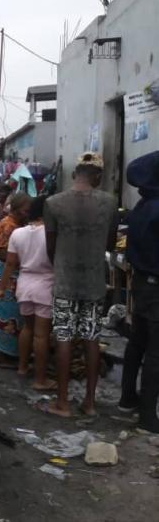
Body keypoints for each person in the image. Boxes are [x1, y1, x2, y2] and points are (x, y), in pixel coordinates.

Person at [44, 152, 118, 418]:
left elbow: (50, 248)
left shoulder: (53, 203)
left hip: (65, 281)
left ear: (75, 174)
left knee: (63, 337)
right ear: (96, 176)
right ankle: (89, 403)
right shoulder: (110, 202)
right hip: (94, 283)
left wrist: (62, 265)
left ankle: (62, 402)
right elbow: (109, 244)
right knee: (91, 338)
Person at [0, 195, 55, 390]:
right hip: (45, 285)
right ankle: (40, 379)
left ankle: (22, 367)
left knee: (27, 328)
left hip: (24, 284)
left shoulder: (18, 233)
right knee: (41, 335)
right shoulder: (51, 233)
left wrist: (2, 288)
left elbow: (11, 263)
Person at [119, 150, 159, 433]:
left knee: (137, 342)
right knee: (155, 353)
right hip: (156, 286)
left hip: (142, 283)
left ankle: (127, 398)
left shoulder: (143, 206)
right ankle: (147, 416)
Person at [0, 193, 31, 369]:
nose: (28, 213)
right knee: (7, 314)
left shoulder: (16, 225)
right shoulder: (8, 226)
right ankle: (3, 355)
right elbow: (4, 254)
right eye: (25, 210)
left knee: (8, 312)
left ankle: (8, 353)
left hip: (3, 272)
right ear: (17, 209)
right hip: (1, 272)